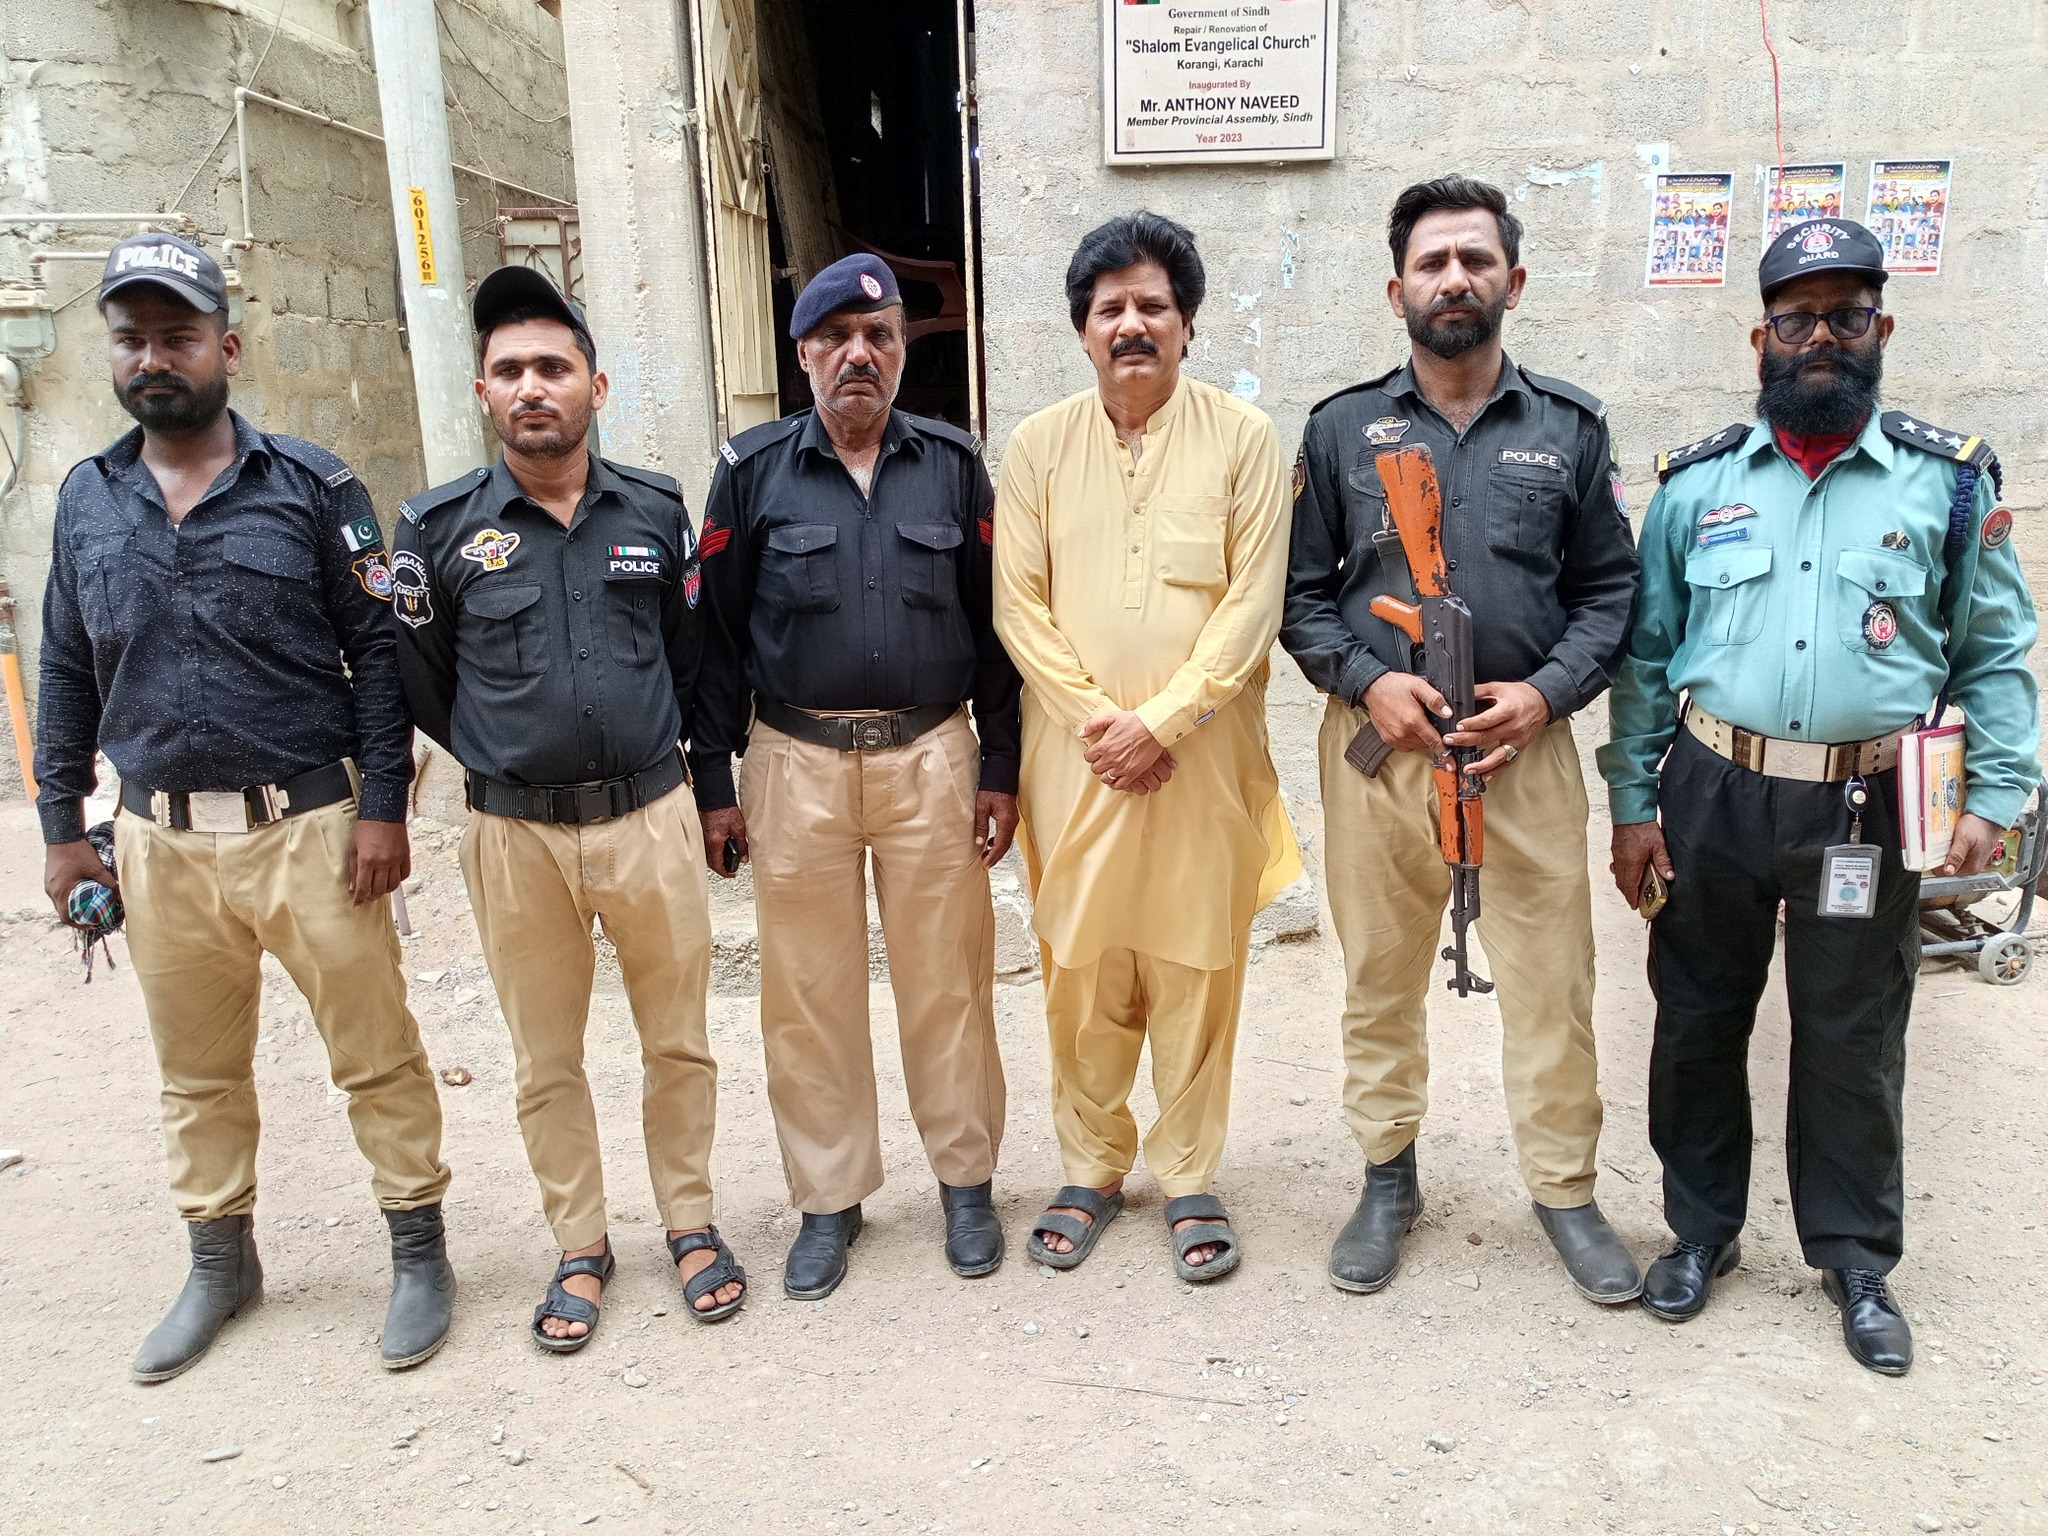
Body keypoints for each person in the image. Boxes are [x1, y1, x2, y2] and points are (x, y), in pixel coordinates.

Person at [1601, 218, 2040, 1374]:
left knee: (1851, 1033)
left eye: (1844, 316)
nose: (1819, 339)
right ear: (1759, 337)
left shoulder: (1947, 482)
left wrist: (1993, 796)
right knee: (1696, 1016)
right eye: (1794, 318)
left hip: (1866, 801)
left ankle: (1853, 1256)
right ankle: (1699, 1232)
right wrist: (1631, 805)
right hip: (1711, 789)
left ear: (1879, 329)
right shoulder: (1695, 485)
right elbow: (1645, 658)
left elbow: (1993, 654)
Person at [34, 234, 453, 1381]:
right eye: (131, 339)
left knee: (374, 1051)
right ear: (111, 354)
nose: (152, 358)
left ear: (226, 347)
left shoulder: (315, 488)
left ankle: (418, 1251)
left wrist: (383, 811)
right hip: (158, 841)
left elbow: (379, 654)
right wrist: (63, 830)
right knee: (196, 1071)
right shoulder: (86, 499)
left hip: (308, 830)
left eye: (177, 336)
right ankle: (221, 1262)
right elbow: (63, 665)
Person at [1280, 177, 1642, 1304]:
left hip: (1521, 755)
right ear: (1396, 291)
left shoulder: (1568, 429)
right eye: (1431, 263)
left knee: (1552, 985)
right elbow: (1299, 598)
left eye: (1474, 260)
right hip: (1380, 754)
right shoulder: (1341, 429)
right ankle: (1387, 1177)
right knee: (1378, 976)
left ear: (1511, 282)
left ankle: (1564, 1192)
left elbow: (1610, 594)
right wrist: (1368, 683)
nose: (1453, 279)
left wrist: (1543, 696)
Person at [389, 267, 745, 1350]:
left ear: (596, 384)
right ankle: (580, 1244)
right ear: (483, 395)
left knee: (677, 1041)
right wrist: (513, 756)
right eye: (509, 371)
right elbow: (425, 683)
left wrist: (713, 794)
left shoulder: (656, 511)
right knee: (545, 1056)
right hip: (515, 837)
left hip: (649, 818)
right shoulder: (434, 529)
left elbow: (692, 661)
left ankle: (689, 1222)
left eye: (553, 366)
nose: (532, 386)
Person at [691, 254, 1021, 1299]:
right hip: (795, 764)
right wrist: (713, 782)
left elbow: (995, 624)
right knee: (808, 991)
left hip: (932, 757)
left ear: (901, 351)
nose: (859, 356)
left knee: (948, 980)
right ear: (803, 356)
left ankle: (964, 1182)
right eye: (835, 339)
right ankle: (828, 1199)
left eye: (879, 337)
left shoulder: (954, 466)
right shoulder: (751, 472)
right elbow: (712, 637)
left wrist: (1000, 765)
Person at [994, 211, 1300, 1282]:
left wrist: (1162, 722)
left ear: (1186, 324)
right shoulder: (1036, 448)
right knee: (1079, 964)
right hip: (1074, 759)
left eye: (1152, 306)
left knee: (1196, 963)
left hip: (1201, 758)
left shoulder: (1244, 439)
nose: (1132, 324)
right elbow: (1018, 608)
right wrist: (1104, 726)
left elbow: (1251, 606)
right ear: (1081, 329)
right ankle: (1089, 1165)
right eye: (1110, 308)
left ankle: (1189, 1172)